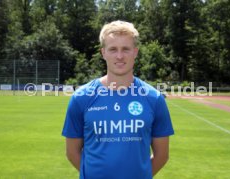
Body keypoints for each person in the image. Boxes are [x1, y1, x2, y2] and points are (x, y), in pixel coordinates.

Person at [62, 20, 174, 179]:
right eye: (113, 49)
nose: (120, 56)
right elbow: (72, 152)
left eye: (125, 49)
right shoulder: (81, 98)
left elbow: (162, 155)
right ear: (103, 53)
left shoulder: (154, 98)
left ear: (135, 52)